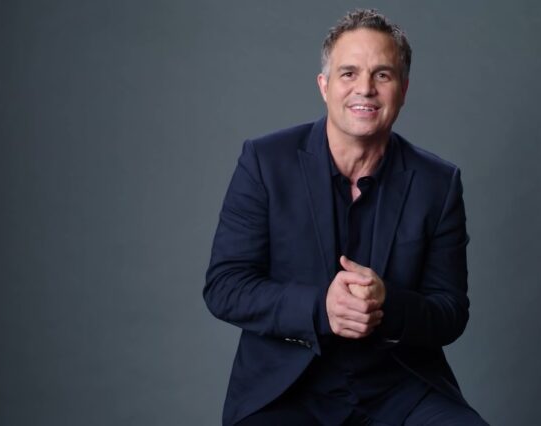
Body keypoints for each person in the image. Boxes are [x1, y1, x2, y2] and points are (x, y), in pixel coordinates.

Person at [204, 9, 488, 425]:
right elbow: (225, 286)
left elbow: (450, 312)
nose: (365, 89)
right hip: (287, 389)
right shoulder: (265, 162)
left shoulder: (438, 183)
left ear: (404, 89)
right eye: (349, 73)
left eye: (382, 75)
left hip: (400, 388)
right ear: (325, 85)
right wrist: (321, 307)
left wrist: (387, 303)